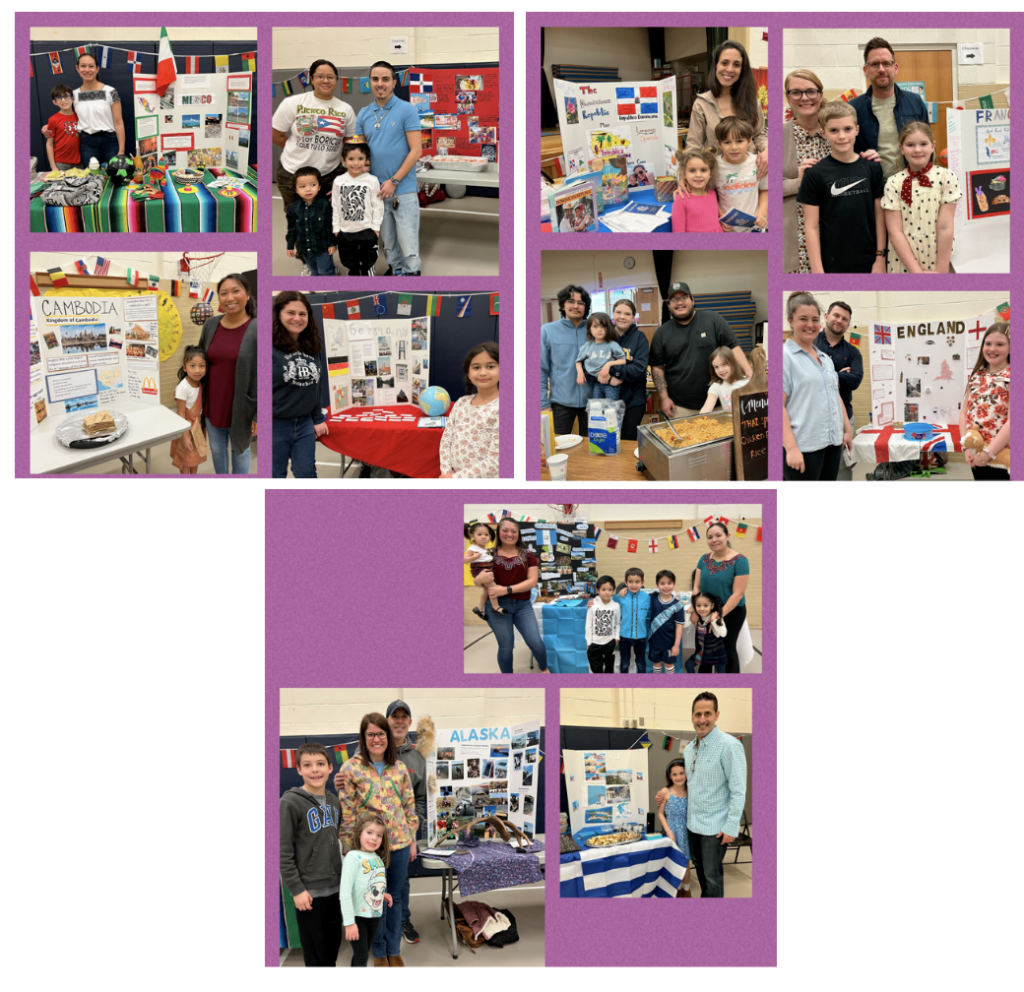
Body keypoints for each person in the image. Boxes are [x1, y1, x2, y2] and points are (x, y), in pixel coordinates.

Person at [336, 714, 418, 968]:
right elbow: (347, 812)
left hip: (400, 843)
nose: (376, 739)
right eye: (370, 734)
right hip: (369, 849)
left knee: (395, 897)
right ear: (363, 738)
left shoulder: (400, 768)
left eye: (381, 733)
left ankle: (394, 948)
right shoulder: (350, 768)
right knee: (373, 900)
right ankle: (379, 951)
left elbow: (409, 807)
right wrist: (351, 850)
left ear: (388, 736)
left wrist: (412, 840)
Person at [783, 69, 882, 272]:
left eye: (811, 91)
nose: (805, 98)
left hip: (845, 238)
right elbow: (763, 186)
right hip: (799, 235)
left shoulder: (838, 124)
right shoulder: (778, 136)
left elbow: (857, 164)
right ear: (788, 97)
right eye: (796, 92)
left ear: (820, 94)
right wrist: (797, 182)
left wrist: (872, 158)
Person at [657, 693, 747, 898]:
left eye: (707, 714)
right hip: (692, 825)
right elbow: (688, 785)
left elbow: (738, 789)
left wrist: (732, 825)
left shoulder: (730, 746)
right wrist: (665, 794)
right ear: (692, 717)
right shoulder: (689, 750)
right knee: (700, 869)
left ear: (717, 715)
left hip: (714, 829)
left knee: (712, 877)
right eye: (698, 714)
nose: (702, 719)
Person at [798, 101, 886, 273]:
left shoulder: (872, 167)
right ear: (823, 133)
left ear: (857, 130)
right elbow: (811, 227)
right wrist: (817, 271)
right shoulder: (814, 174)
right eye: (833, 130)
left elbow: (880, 215)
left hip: (871, 261)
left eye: (847, 129)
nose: (842, 136)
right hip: (832, 263)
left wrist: (880, 258)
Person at [355, 61, 423, 276]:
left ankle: (412, 273)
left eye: (385, 79)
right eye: (375, 79)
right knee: (388, 240)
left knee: (408, 239)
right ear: (369, 83)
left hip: (402, 188)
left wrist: (394, 181)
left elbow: (416, 151)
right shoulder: (364, 114)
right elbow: (359, 153)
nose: (380, 84)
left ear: (394, 83)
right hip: (377, 190)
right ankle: (396, 269)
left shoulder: (406, 109)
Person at [280, 743, 343, 967]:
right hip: (310, 893)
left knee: (332, 950)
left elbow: (335, 842)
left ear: (329, 768)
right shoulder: (289, 802)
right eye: (307, 765)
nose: (314, 770)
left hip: (336, 889)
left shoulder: (334, 801)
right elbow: (282, 852)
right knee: (316, 956)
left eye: (320, 764)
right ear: (299, 769)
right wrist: (296, 890)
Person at [650, 282, 753, 418]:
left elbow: (733, 347)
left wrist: (751, 375)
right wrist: (664, 398)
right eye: (674, 299)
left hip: (720, 404)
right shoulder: (661, 333)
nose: (679, 302)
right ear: (668, 305)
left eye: (684, 297)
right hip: (680, 407)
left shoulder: (713, 320)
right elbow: (657, 367)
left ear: (692, 300)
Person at [783, 292, 851, 481]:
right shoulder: (785, 357)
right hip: (804, 447)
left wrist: (846, 429)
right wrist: (790, 448)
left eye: (814, 319)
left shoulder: (825, 359)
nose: (810, 325)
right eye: (803, 319)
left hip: (832, 444)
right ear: (790, 320)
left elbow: (835, 395)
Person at [272, 59, 356, 209]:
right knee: (298, 221)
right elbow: (275, 134)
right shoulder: (293, 103)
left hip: (329, 175)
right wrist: (298, 148)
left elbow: (349, 141)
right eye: (320, 76)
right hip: (292, 173)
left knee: (328, 220)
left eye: (330, 77)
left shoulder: (345, 109)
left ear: (336, 80)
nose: (326, 80)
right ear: (311, 79)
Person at [882, 121, 961, 273]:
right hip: (904, 262)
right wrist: (917, 272)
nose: (917, 149)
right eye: (910, 145)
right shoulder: (893, 183)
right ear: (901, 149)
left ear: (933, 146)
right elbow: (895, 232)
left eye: (923, 144)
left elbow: (946, 227)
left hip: (938, 258)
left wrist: (941, 270)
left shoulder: (946, 177)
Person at [199, 273, 257, 475]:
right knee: (217, 451)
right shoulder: (210, 325)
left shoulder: (258, 328)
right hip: (214, 405)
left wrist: (259, 413)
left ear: (247, 295)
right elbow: (200, 363)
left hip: (242, 408)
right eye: (224, 293)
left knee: (241, 452)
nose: (229, 298)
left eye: (235, 291)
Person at [473, 517, 549, 674]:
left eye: (514, 531)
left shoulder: (528, 555)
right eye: (505, 530)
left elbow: (532, 581)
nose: (509, 534)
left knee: (536, 642)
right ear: (498, 532)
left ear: (518, 534)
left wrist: (506, 589)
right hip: (496, 607)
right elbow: (480, 582)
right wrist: (478, 580)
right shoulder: (487, 555)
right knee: (506, 647)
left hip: (523, 605)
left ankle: (544, 670)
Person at [849, 37, 929, 181]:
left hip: (911, 185)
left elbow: (927, 146)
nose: (881, 69)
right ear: (866, 70)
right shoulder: (853, 109)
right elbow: (848, 153)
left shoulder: (915, 102)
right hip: (872, 190)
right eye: (874, 64)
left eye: (886, 63)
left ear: (895, 68)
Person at [687, 40, 767, 180]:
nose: (730, 69)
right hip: (715, 180)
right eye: (724, 63)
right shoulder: (702, 104)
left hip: (750, 179)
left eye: (736, 64)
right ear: (716, 66)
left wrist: (767, 150)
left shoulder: (752, 101)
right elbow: (694, 146)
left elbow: (759, 134)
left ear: (742, 70)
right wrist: (685, 173)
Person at [382, 700, 427, 947]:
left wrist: (411, 834)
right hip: (374, 835)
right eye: (394, 716)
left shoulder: (417, 758)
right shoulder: (373, 749)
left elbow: (419, 799)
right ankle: (376, 927)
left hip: (402, 835)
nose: (398, 721)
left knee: (401, 883)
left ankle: (402, 921)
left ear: (409, 722)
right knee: (373, 879)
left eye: (403, 717)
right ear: (387, 720)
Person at [272, 291, 327, 479]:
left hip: (304, 423)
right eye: (290, 313)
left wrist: (317, 419)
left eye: (302, 314)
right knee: (274, 476)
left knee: (307, 474)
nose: (297, 318)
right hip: (274, 425)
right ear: (278, 314)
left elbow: (316, 386)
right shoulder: (267, 346)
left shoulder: (312, 345)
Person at [41, 52, 124, 166]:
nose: (87, 70)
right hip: (87, 142)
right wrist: (48, 127)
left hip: (110, 140)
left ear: (97, 68)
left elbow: (118, 122)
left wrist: (121, 151)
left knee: (115, 175)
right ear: (77, 68)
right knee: (90, 177)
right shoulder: (74, 95)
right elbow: (66, 115)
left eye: (91, 66)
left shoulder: (111, 92)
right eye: (83, 66)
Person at [814, 301, 862, 481]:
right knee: (816, 465)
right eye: (836, 315)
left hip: (843, 418)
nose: (839, 320)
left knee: (842, 467)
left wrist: (825, 376)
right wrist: (837, 376)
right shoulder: (809, 344)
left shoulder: (853, 352)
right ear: (826, 317)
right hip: (812, 416)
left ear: (848, 325)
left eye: (844, 319)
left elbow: (856, 380)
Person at [693, 522, 750, 674]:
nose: (714, 540)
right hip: (706, 610)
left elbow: (738, 593)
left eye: (718, 535)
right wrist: (694, 609)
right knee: (705, 647)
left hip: (732, 611)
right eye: (710, 537)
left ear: (727, 536)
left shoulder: (740, 560)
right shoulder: (704, 559)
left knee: (727, 648)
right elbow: (697, 587)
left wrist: (719, 615)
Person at [439, 342, 499, 478]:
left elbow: (497, 459)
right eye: (476, 367)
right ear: (469, 373)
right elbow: (446, 440)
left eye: (490, 366)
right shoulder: (461, 403)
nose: (483, 372)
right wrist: (446, 472)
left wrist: (455, 479)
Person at [959, 322, 1010, 480]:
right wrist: (966, 448)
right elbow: (964, 414)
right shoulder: (977, 376)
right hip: (975, 449)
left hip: (1000, 454)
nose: (992, 349)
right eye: (988, 343)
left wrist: (987, 455)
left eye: (1000, 344)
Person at [341, 812, 392, 966]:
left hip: (374, 915)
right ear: (359, 834)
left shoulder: (377, 858)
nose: (374, 838)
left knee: (363, 952)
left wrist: (383, 895)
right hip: (358, 917)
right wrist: (349, 923)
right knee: (362, 956)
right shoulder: (353, 857)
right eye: (369, 832)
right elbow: (345, 892)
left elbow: (370, 884)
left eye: (379, 835)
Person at [541, 285, 591, 434]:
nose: (576, 306)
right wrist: (543, 404)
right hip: (560, 403)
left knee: (593, 451)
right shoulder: (547, 331)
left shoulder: (595, 329)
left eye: (581, 303)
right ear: (563, 304)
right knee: (557, 449)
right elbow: (539, 370)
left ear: (586, 307)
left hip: (592, 403)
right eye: (571, 301)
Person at [333, 140, 384, 276]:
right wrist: (336, 228)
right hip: (346, 230)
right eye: (351, 159)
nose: (356, 163)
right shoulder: (338, 181)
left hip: (367, 229)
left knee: (368, 260)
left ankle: (368, 273)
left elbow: (377, 206)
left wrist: (376, 227)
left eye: (360, 159)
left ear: (367, 160)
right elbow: (336, 206)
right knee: (350, 259)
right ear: (343, 160)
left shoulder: (372, 180)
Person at [608, 299, 651, 441]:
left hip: (633, 401)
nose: (622, 316)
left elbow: (639, 368)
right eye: (618, 312)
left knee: (628, 441)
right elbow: (593, 364)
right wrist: (612, 376)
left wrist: (615, 373)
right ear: (613, 314)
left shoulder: (640, 338)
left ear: (633, 317)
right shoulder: (603, 337)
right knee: (609, 442)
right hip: (607, 401)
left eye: (627, 313)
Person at [714, 117, 768, 232]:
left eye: (739, 141)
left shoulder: (758, 163)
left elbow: (764, 190)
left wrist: (761, 214)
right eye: (727, 142)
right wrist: (721, 216)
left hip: (755, 228)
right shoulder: (714, 166)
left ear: (749, 141)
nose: (734, 147)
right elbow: (709, 195)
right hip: (727, 229)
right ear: (719, 144)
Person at [285, 166, 336, 276]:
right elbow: (292, 228)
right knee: (313, 271)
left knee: (325, 272)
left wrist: (332, 243)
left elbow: (330, 226)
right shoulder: (293, 209)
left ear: (319, 186)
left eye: (313, 185)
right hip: (305, 250)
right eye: (302, 186)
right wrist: (290, 245)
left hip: (323, 250)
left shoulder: (325, 205)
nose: (308, 189)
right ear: (296, 190)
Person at [170, 345, 208, 475]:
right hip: (185, 429)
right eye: (192, 366)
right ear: (185, 368)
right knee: (185, 459)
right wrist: (184, 437)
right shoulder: (183, 387)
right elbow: (181, 413)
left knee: (194, 458)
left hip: (197, 428)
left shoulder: (202, 384)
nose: (197, 370)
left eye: (201, 366)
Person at [657, 759, 692, 897]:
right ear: (669, 776)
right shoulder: (665, 791)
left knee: (685, 862)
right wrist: (668, 831)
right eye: (674, 774)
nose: (678, 777)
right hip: (671, 831)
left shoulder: (691, 790)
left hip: (687, 831)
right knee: (673, 862)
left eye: (681, 773)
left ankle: (687, 890)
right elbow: (660, 814)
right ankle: (675, 890)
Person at [575, 312, 627, 401]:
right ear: (589, 329)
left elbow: (624, 361)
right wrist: (580, 373)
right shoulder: (587, 346)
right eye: (595, 326)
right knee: (597, 408)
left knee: (611, 409)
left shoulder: (612, 345)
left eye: (603, 326)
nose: (599, 329)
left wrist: (609, 364)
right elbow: (578, 361)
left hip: (611, 382)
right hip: (596, 382)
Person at [671, 146, 721, 233]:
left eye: (703, 170)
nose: (698, 174)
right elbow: (678, 232)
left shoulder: (712, 193)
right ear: (684, 174)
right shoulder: (681, 200)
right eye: (692, 170)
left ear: (711, 173)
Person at [649, 569, 686, 674]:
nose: (666, 586)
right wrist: (624, 590)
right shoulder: (652, 597)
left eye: (669, 583)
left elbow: (679, 626)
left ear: (674, 584)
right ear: (657, 585)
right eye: (662, 583)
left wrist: (676, 645)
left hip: (669, 643)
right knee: (656, 663)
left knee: (668, 665)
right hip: (654, 642)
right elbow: (637, 593)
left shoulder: (678, 605)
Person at [465, 521, 505, 618]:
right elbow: (464, 559)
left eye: (486, 534)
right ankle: (495, 607)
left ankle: (479, 608)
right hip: (480, 571)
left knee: (486, 591)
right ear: (472, 536)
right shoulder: (473, 548)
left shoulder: (485, 549)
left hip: (488, 571)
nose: (483, 537)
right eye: (479, 534)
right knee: (494, 588)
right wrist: (473, 558)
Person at [683, 591, 728, 673]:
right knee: (688, 665)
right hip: (702, 653)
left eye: (705, 605)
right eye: (698, 605)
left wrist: (714, 621)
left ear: (712, 606)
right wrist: (688, 611)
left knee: (721, 675)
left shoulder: (715, 617)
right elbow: (685, 625)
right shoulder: (697, 617)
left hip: (717, 654)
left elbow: (723, 633)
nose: (702, 608)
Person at [617, 567, 650, 674]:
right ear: (626, 582)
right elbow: (607, 601)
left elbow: (662, 597)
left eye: (637, 582)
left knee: (640, 662)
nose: (634, 585)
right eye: (630, 581)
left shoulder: (647, 597)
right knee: (625, 663)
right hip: (624, 636)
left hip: (640, 637)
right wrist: (592, 602)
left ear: (642, 583)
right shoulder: (621, 596)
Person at [585, 575, 621, 673]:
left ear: (613, 590)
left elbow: (617, 623)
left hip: (610, 642)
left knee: (609, 668)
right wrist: (589, 642)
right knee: (596, 668)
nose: (606, 592)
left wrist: (616, 638)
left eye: (610, 589)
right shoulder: (593, 605)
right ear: (597, 590)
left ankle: (608, 686)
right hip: (595, 643)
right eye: (603, 589)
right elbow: (588, 625)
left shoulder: (616, 606)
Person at [699, 347, 749, 414]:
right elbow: (707, 407)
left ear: (733, 363)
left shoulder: (747, 382)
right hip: (729, 423)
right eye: (716, 367)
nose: (720, 370)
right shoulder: (716, 386)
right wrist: (701, 419)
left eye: (724, 364)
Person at [45, 85, 80, 171]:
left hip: (79, 162)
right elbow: (49, 144)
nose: (63, 100)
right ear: (54, 102)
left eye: (66, 96)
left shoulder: (80, 115)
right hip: (61, 162)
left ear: (72, 98)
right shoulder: (53, 119)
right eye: (59, 98)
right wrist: (53, 167)